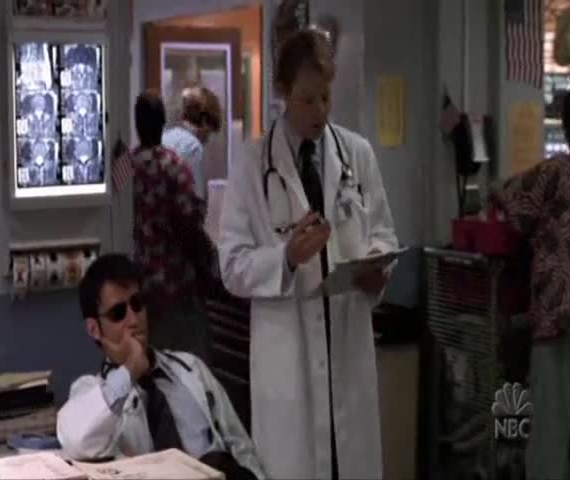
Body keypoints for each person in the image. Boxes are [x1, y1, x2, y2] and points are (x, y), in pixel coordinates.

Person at [217, 28, 399, 479]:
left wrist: (378, 266)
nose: (320, 111)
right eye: (307, 99)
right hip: (289, 363)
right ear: (282, 93)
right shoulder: (251, 164)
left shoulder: (356, 155)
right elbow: (232, 267)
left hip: (347, 348)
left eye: (325, 97)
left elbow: (383, 234)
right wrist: (285, 258)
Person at [56, 253, 264, 480]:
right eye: (118, 313)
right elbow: (77, 440)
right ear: (94, 329)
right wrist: (130, 370)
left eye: (137, 304)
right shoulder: (91, 391)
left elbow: (241, 447)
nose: (133, 320)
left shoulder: (190, 367)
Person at [492, 84, 570, 479]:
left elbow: (506, 198)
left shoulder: (556, 171)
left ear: (568, 126)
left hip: (561, 318)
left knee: (549, 442)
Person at [131, 90, 217, 362]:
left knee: (147, 361)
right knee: (186, 366)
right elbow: (190, 223)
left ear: (137, 124)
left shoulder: (125, 167)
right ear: (162, 122)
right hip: (174, 284)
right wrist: (207, 267)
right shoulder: (173, 166)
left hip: (138, 284)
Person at [163, 85, 223, 198]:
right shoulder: (193, 147)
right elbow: (195, 196)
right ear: (205, 122)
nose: (208, 139)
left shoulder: (166, 137)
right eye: (209, 132)